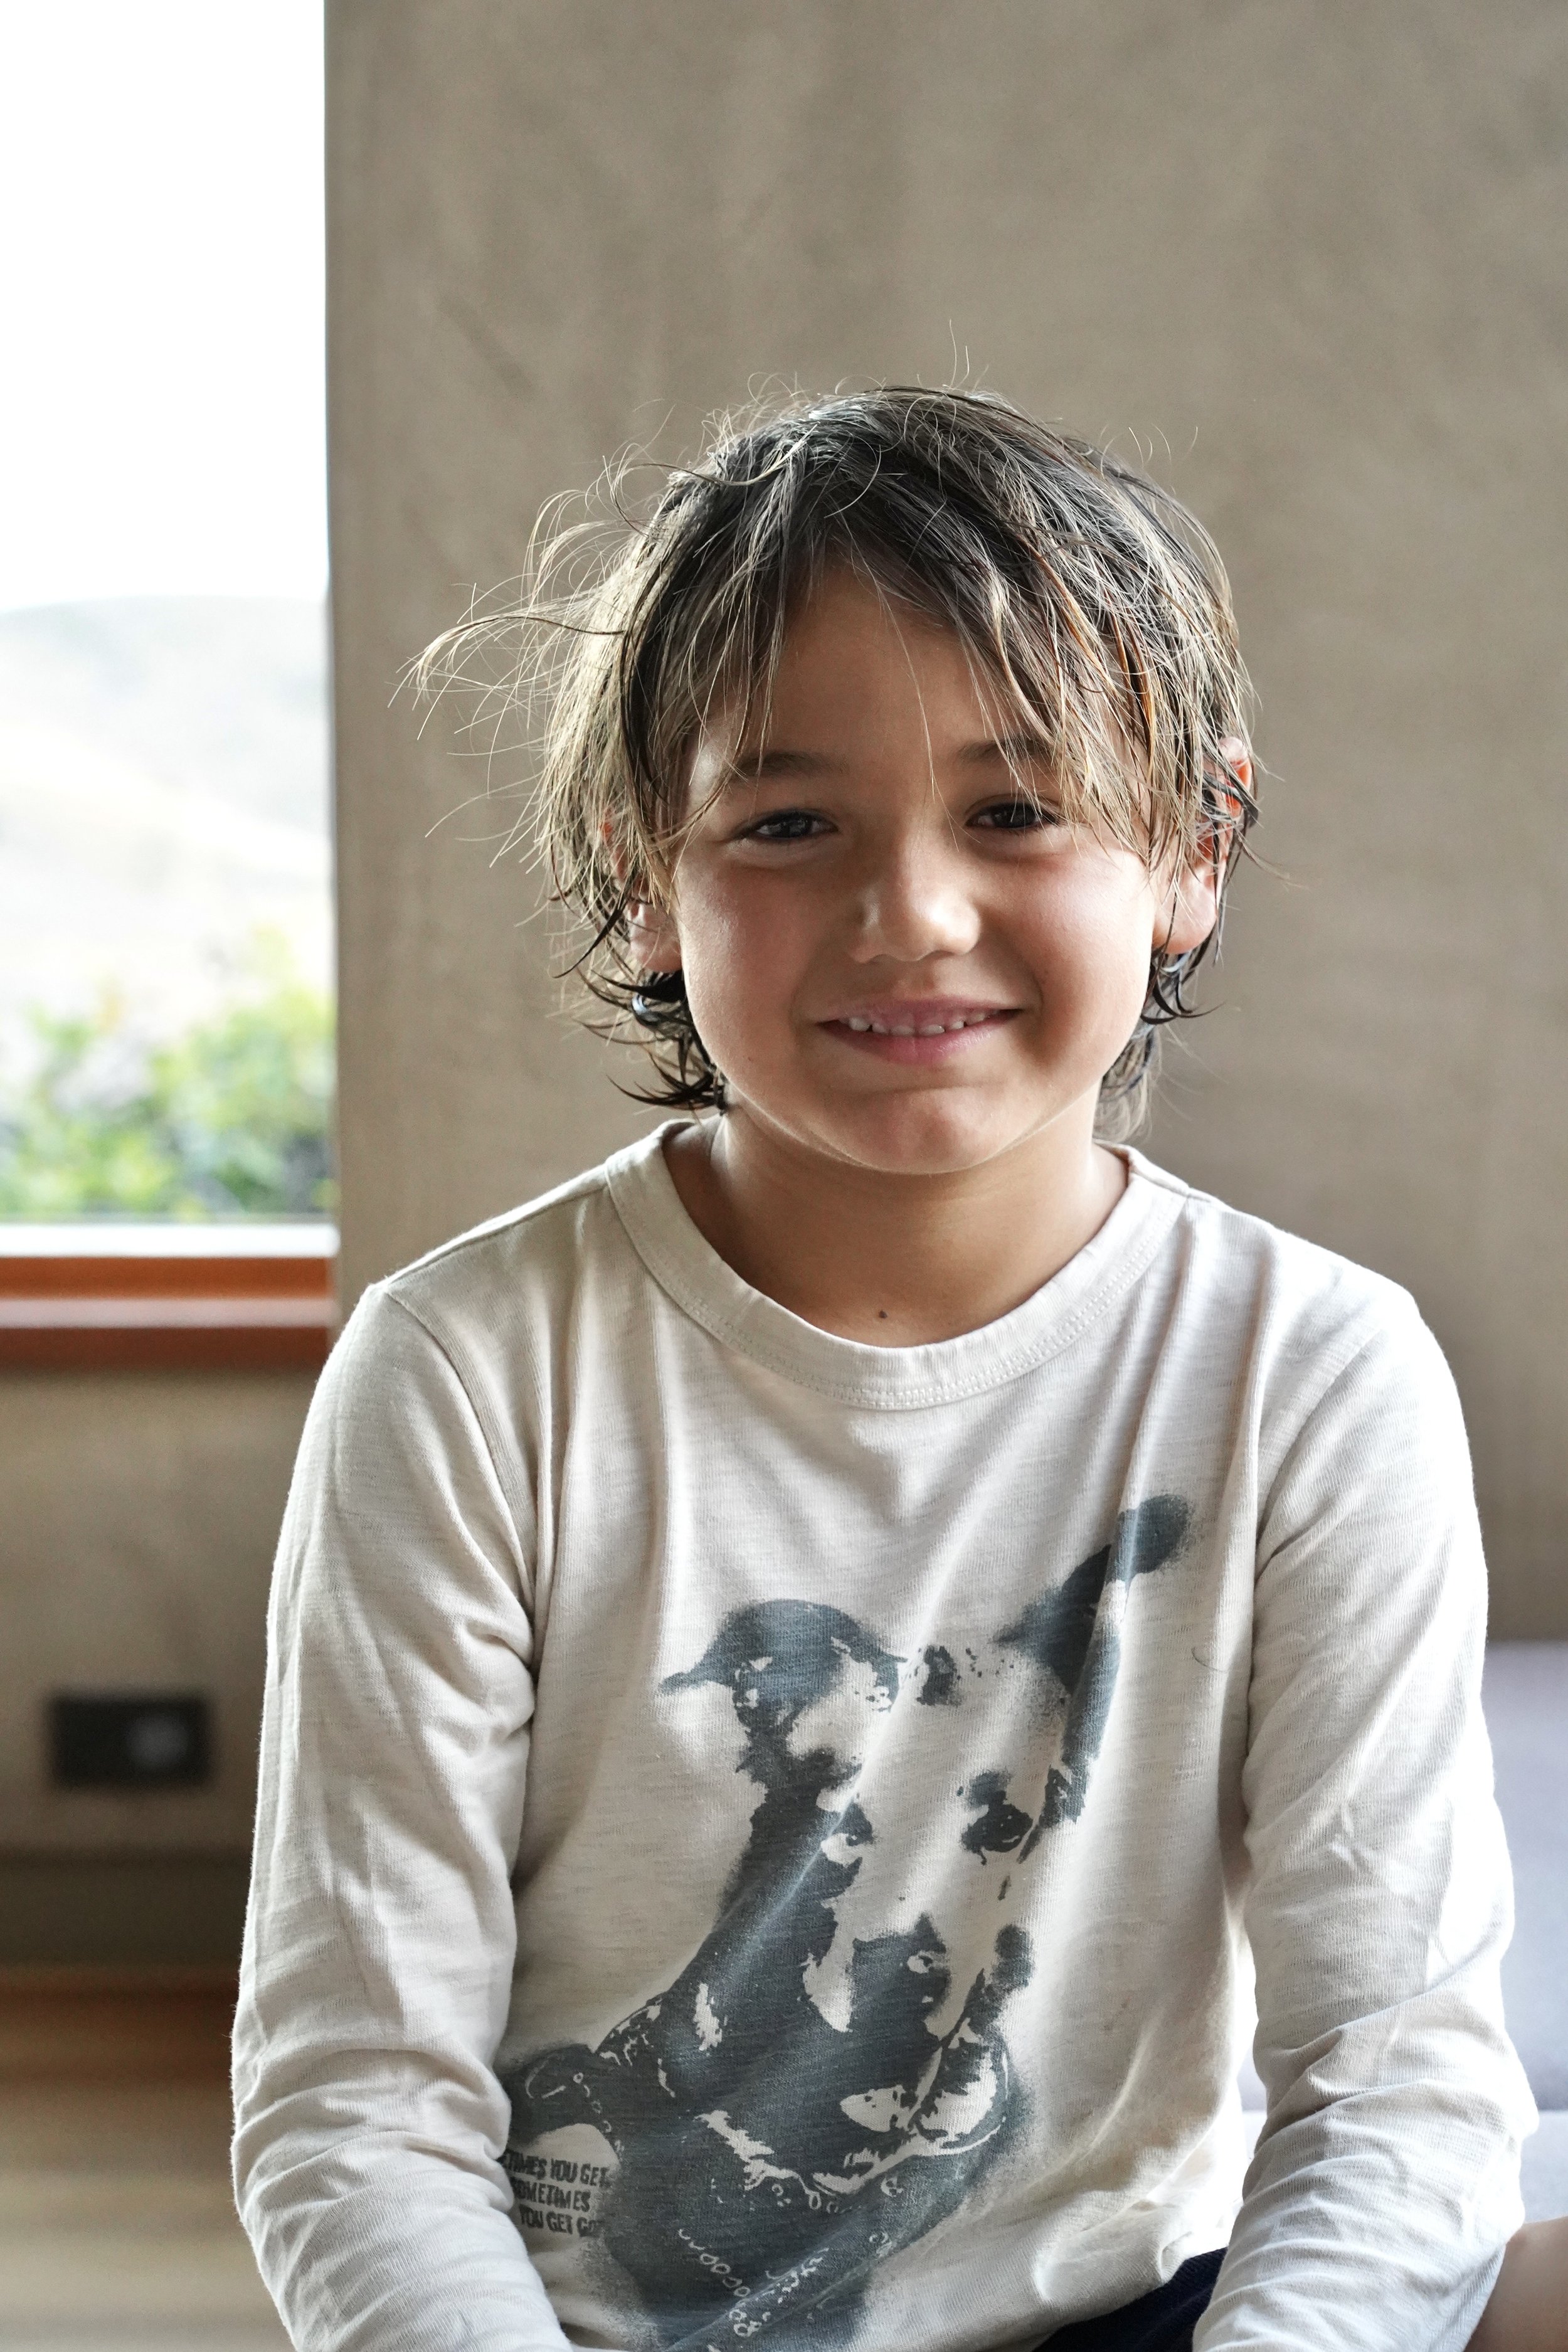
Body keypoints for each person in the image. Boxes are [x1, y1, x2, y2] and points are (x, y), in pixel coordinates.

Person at [231, 388, 1563, 2351]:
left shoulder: (1313, 1365)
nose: (910, 914)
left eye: (1015, 812)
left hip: (1142, 2307)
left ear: (1190, 849)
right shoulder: (466, 1371)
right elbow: (356, 2102)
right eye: (785, 824)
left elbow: (1399, 2078)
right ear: (641, 872)